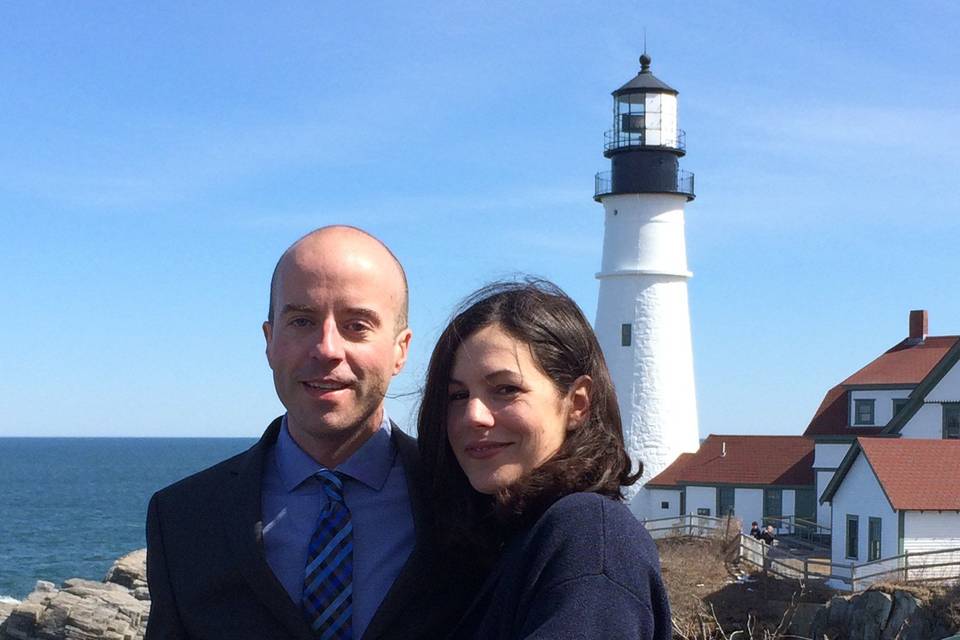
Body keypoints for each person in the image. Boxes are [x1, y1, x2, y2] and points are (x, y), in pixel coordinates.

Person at [145, 226, 479, 640]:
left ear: (400, 350)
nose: (326, 349)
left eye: (357, 325)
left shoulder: (469, 499)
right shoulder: (183, 518)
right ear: (270, 341)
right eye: (302, 321)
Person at [417, 279, 672, 640]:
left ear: (577, 403)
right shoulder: (503, 540)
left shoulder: (590, 538)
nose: (473, 415)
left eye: (506, 389)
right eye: (457, 395)